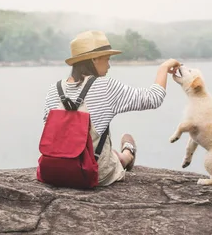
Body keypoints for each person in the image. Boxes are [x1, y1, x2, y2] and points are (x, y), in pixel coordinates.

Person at [42, 30, 181, 186]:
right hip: (92, 173)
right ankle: (127, 155)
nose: (109, 65)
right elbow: (153, 98)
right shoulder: (106, 86)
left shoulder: (54, 89)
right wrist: (163, 68)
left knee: (97, 149)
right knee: (108, 156)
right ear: (94, 59)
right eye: (107, 59)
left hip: (53, 173)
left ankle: (123, 154)